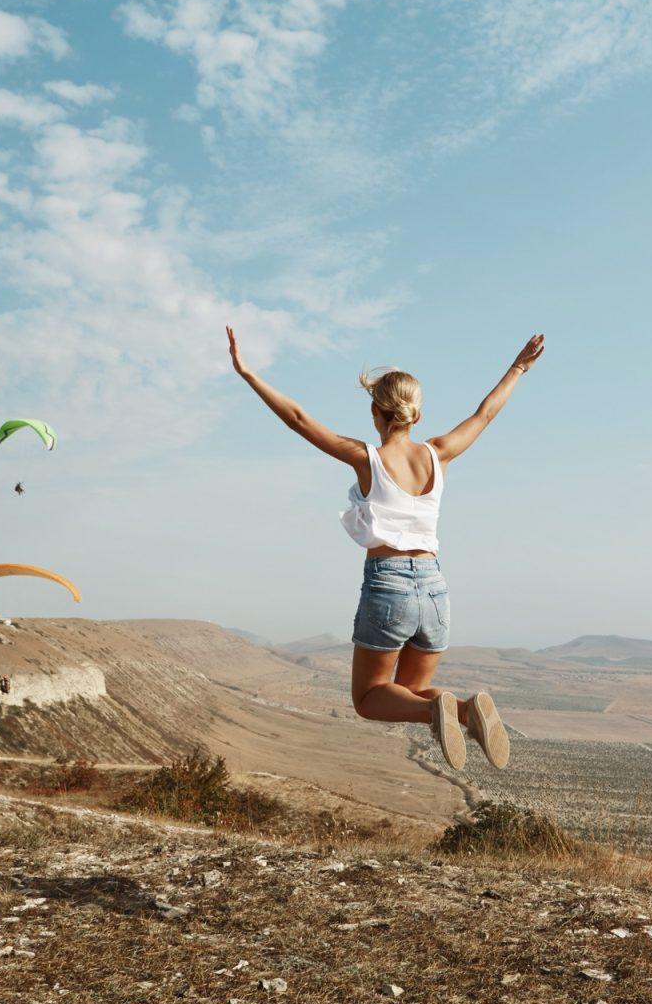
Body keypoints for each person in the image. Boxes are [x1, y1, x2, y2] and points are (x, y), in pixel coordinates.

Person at [228, 324, 545, 770]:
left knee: (369, 699)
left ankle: (440, 710)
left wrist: (248, 373)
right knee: (408, 693)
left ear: (376, 412)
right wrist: (518, 368)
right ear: (417, 414)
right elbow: (485, 414)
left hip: (389, 586)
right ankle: (463, 709)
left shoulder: (368, 459)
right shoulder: (439, 453)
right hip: (435, 589)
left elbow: (298, 419)